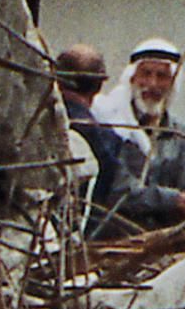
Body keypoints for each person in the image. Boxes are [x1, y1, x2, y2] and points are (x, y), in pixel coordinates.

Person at [101, 36, 185, 218]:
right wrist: (172, 199)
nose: (152, 84)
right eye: (146, 74)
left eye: (162, 76)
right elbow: (120, 193)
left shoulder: (182, 136)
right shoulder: (114, 126)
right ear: (132, 78)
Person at [54, 42, 133, 231]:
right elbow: (125, 192)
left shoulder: (31, 119)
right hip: (82, 243)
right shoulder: (107, 142)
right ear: (98, 87)